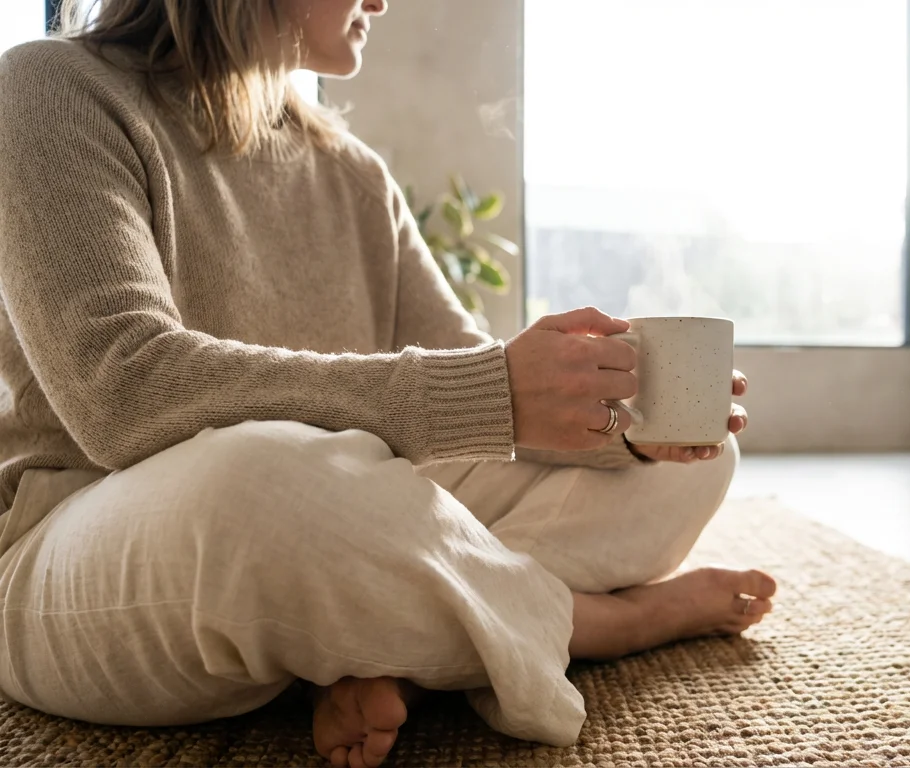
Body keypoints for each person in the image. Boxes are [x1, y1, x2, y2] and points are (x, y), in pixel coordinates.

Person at [0, 0, 776, 765]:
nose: (381, 0)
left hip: (322, 520)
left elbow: (482, 394)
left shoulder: (352, 174)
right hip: (90, 541)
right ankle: (604, 624)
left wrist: (627, 427)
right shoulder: (53, 88)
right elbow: (121, 394)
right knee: (273, 477)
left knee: (692, 461)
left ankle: (373, 645)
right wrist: (493, 395)